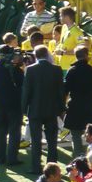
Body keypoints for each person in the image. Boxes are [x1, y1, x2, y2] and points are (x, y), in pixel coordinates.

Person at [23, 45, 65, 174]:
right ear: (47, 55)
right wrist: (61, 109)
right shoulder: (57, 69)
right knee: (52, 141)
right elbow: (61, 92)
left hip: (35, 110)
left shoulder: (30, 70)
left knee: (36, 141)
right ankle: (52, 167)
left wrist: (24, 108)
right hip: (51, 110)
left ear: (36, 55)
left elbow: (26, 91)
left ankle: (36, 167)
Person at [64, 46, 92, 157]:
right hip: (91, 107)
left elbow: (65, 90)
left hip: (75, 107)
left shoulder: (72, 71)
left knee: (76, 136)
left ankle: (79, 161)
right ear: (86, 56)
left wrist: (63, 106)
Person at [0, 45, 24, 165]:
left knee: (0, 132)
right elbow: (21, 85)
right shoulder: (16, 71)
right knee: (14, 132)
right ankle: (12, 158)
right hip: (14, 105)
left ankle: (0, 158)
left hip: (0, 104)